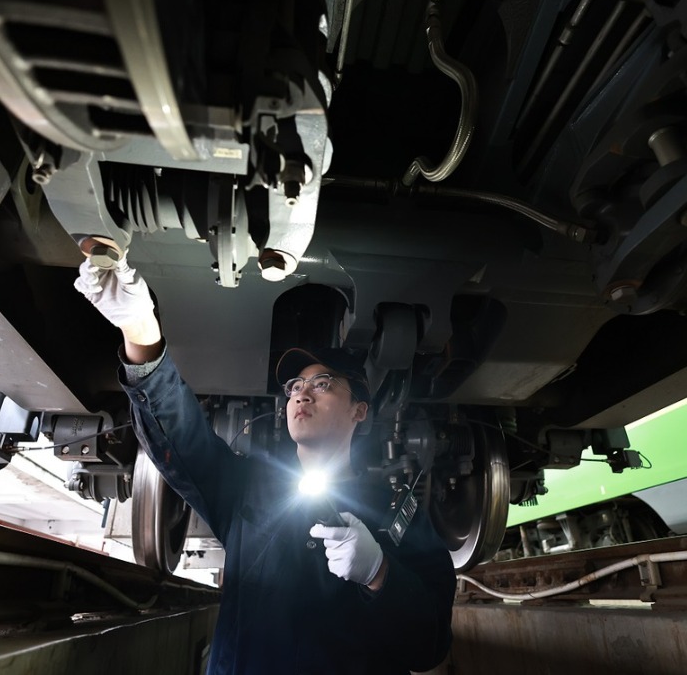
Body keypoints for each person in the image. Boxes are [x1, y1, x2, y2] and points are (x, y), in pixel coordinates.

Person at [75, 255, 456, 675]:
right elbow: (182, 438)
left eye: (323, 384)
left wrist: (380, 573)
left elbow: (430, 646)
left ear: (359, 411)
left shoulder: (397, 514)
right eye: (296, 385)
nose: (301, 394)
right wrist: (140, 329)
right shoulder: (248, 488)